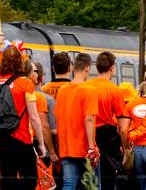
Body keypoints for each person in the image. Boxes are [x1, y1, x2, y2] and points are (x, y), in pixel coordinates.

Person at [0, 45, 48, 190]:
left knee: (8, 180)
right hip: (21, 139)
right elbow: (33, 116)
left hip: (0, 140)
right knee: (30, 179)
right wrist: (41, 145)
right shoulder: (25, 83)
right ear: (20, 61)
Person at [86, 51, 131, 190]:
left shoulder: (87, 87)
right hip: (108, 137)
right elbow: (123, 126)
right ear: (112, 68)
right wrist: (125, 149)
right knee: (109, 178)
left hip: (89, 135)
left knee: (91, 178)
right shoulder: (114, 90)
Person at [55, 52, 97, 190]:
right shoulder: (89, 90)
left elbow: (58, 116)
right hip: (84, 147)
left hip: (66, 146)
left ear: (73, 68)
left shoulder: (62, 91)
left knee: (69, 184)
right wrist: (91, 147)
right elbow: (89, 119)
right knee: (91, 186)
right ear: (87, 68)